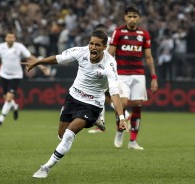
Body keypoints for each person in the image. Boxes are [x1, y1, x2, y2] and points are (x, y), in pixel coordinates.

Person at [22, 30, 129, 178]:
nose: (93, 47)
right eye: (91, 43)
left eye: (97, 45)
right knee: (61, 134)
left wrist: (121, 117)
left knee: (68, 134)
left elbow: (114, 93)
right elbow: (58, 58)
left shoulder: (110, 65)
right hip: (73, 98)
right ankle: (96, 121)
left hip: (92, 105)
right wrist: (39, 62)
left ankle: (46, 167)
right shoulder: (81, 52)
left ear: (104, 47)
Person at [0, 28, 51, 126]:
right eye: (9, 37)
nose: (10, 39)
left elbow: (30, 57)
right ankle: (15, 107)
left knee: (8, 98)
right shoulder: (0, 47)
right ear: (6, 39)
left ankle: (0, 119)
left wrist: (42, 67)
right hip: (3, 75)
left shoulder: (19, 47)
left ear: (15, 38)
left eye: (12, 37)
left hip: (16, 76)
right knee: (7, 98)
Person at [108, 3, 158, 150]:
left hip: (138, 74)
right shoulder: (118, 32)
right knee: (122, 104)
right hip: (121, 74)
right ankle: (120, 130)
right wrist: (108, 72)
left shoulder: (144, 34)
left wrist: (154, 77)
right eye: (129, 16)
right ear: (125, 17)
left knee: (137, 104)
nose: (132, 19)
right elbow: (110, 54)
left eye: (134, 16)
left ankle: (132, 141)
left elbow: (148, 57)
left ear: (139, 18)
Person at [88, 24, 131, 134]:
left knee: (100, 95)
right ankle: (125, 116)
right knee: (106, 98)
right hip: (111, 72)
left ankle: (102, 123)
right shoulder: (110, 40)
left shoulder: (109, 41)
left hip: (107, 72)